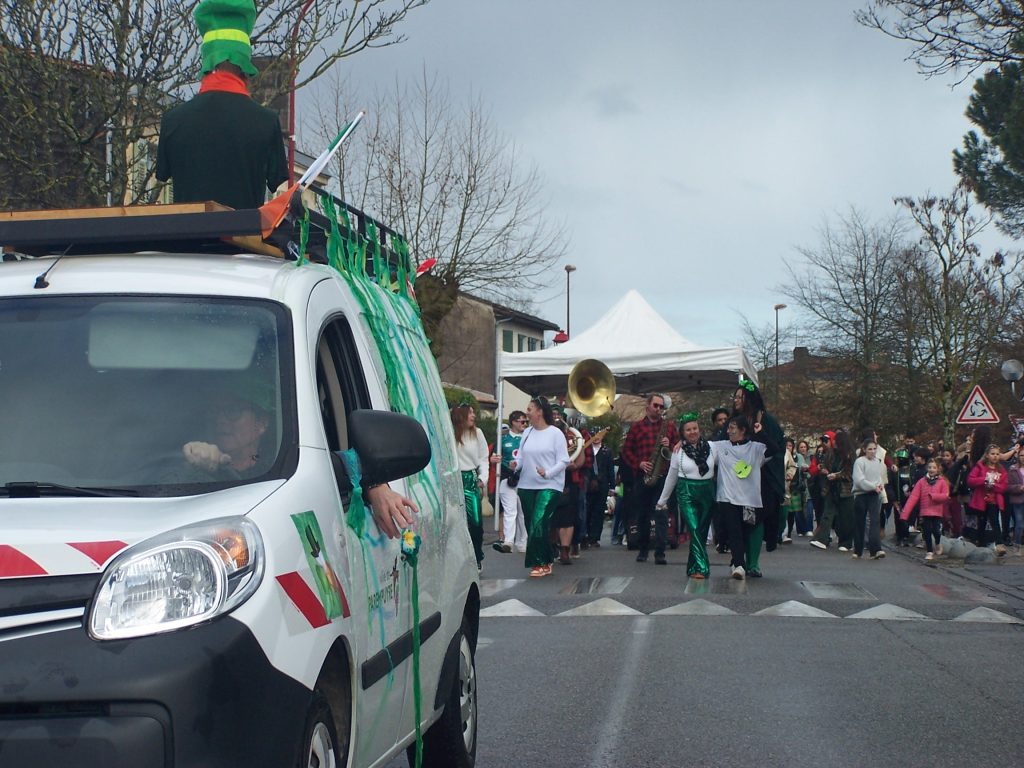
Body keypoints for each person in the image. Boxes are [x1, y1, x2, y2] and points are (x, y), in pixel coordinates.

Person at [156, 0, 289, 210]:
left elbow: (163, 174)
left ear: (206, 59)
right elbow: (277, 182)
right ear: (245, 65)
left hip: (185, 241)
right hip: (243, 242)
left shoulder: (173, 121)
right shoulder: (266, 122)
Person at [711, 414, 774, 579]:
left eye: (732, 428)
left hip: (749, 499)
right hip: (727, 497)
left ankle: (736, 561)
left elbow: (775, 450)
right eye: (728, 427)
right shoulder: (721, 446)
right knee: (734, 530)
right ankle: (739, 565)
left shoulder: (756, 448)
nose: (729, 431)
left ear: (742, 430)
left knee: (746, 531)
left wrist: (761, 433)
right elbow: (702, 446)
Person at [657, 411, 718, 580]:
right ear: (682, 433)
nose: (693, 432)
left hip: (707, 491)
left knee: (702, 531)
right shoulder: (678, 452)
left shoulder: (712, 447)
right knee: (694, 529)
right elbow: (671, 476)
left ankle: (692, 567)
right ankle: (702, 568)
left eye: (695, 428)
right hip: (686, 492)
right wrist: (662, 500)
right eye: (688, 430)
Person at [620, 393, 678, 565]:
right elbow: (626, 452)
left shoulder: (669, 427)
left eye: (661, 407)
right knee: (643, 515)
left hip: (663, 477)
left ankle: (660, 552)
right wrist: (639, 464)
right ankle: (643, 549)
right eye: (656, 406)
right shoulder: (636, 427)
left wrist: (671, 444)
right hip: (643, 477)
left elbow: (679, 450)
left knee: (661, 514)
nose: (659, 409)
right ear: (648, 406)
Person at [731, 377, 785, 561]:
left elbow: (777, 449)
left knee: (756, 518)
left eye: (740, 397)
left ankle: (753, 562)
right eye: (735, 397)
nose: (736, 400)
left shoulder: (766, 421)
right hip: (737, 478)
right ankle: (738, 558)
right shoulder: (734, 421)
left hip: (763, 480)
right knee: (737, 519)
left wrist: (762, 461)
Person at [516, 397, 571, 577]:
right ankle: (547, 558)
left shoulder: (555, 433)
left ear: (539, 412)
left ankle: (538, 563)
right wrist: (513, 465)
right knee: (531, 523)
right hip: (526, 484)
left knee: (538, 522)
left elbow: (564, 460)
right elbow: (521, 459)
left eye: (530, 409)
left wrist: (547, 473)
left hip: (550, 484)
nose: (527, 412)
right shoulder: (527, 433)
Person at [451, 404, 490, 569]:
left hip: (471, 478)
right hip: (453, 478)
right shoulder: (450, 433)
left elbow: (484, 457)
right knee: (454, 521)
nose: (473, 416)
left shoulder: (477, 433)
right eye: (470, 413)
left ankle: (476, 556)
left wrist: (483, 478)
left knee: (475, 522)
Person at [810, 430, 855, 552]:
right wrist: (824, 470)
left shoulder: (850, 455)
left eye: (835, 441)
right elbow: (825, 465)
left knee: (846, 517)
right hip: (831, 488)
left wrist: (837, 476)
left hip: (846, 490)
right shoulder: (831, 454)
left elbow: (849, 474)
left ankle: (846, 542)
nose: (833, 443)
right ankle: (822, 539)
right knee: (827, 514)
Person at [900, 458, 950, 560]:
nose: (931, 469)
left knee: (936, 531)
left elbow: (945, 495)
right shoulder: (921, 482)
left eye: (934, 467)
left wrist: (934, 496)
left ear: (938, 469)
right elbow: (913, 497)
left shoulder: (942, 482)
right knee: (926, 531)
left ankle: (937, 543)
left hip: (937, 512)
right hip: (925, 511)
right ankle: (929, 551)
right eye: (930, 467)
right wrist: (905, 513)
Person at [494, 410, 528, 554]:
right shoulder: (503, 440)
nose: (524, 424)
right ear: (513, 422)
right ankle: (508, 541)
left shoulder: (527, 438)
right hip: (507, 479)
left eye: (526, 421)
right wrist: (498, 462)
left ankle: (523, 542)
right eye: (522, 421)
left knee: (523, 512)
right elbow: (495, 457)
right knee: (510, 510)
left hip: (525, 479)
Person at [966, 444, 1010, 554]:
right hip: (981, 499)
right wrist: (984, 480)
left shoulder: (1001, 469)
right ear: (987, 455)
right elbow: (971, 480)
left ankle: (999, 543)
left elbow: (1004, 486)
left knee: (995, 521)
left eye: (997, 454)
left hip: (994, 500)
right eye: (992, 454)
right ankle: (981, 543)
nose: (995, 456)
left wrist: (994, 485)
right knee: (981, 521)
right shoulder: (980, 466)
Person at [852, 439, 886, 559]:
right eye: (870, 449)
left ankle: (876, 549)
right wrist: (873, 486)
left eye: (874, 449)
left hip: (873, 495)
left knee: (874, 520)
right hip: (861, 494)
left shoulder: (877, 461)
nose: (872, 451)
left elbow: (878, 477)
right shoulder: (860, 462)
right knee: (859, 522)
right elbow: (859, 480)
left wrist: (880, 485)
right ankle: (858, 549)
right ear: (864, 450)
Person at [584, 429, 616, 547]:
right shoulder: (586, 449)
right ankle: (585, 535)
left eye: (599, 435)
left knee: (598, 511)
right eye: (594, 435)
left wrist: (612, 487)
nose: (597, 437)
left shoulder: (606, 451)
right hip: (588, 484)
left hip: (602, 484)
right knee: (587, 510)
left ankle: (595, 537)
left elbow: (610, 469)